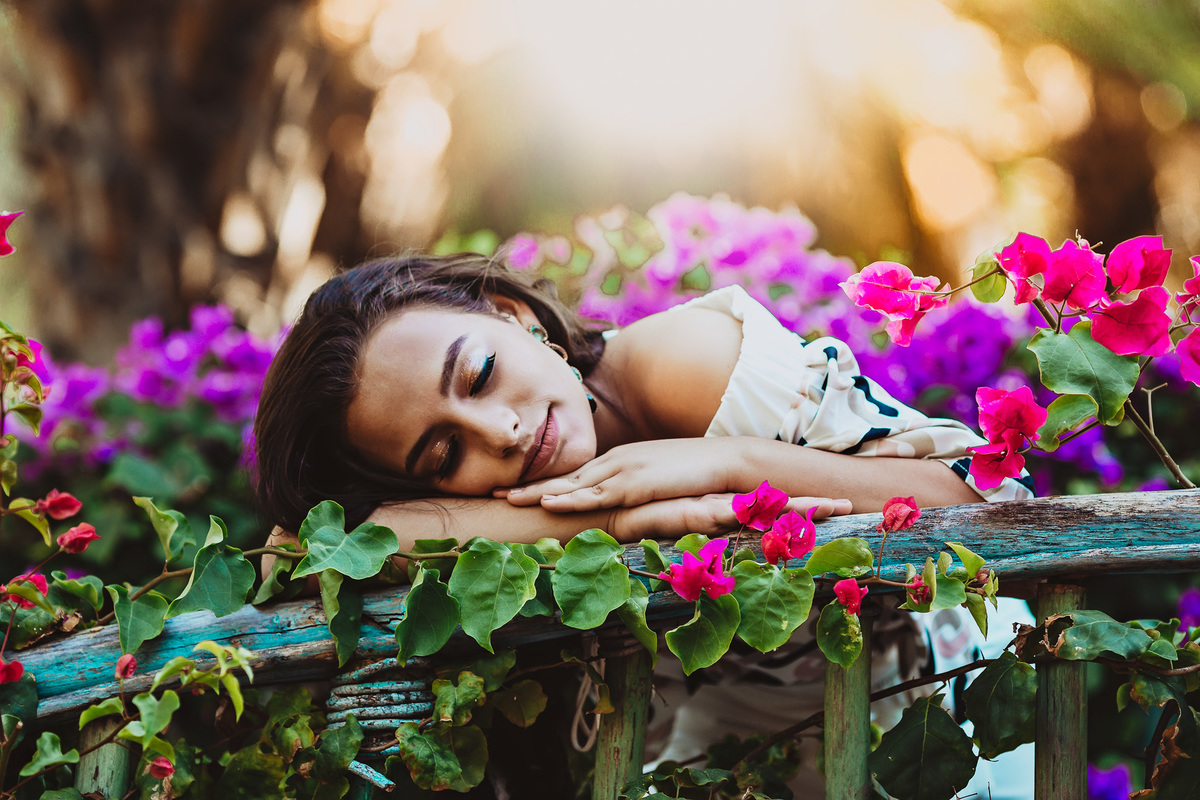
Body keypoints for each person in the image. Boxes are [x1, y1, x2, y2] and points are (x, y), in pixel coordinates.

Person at [253, 252, 1035, 796]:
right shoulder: (494, 497)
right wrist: (607, 517)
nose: (502, 432)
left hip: (930, 704)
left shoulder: (688, 364)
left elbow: (983, 513)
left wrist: (732, 464)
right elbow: (339, 545)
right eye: (443, 453)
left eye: (481, 373)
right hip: (738, 750)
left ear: (515, 317)